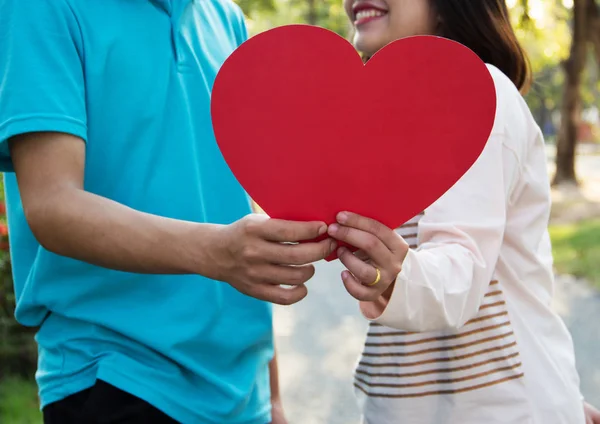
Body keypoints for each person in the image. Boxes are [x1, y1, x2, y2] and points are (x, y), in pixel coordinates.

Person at [0, 1, 337, 423]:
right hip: (116, 376)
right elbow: (53, 205)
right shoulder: (39, 8)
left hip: (243, 395)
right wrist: (216, 251)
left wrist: (271, 396)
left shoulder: (226, 18)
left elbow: (236, 208)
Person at [328, 0, 600, 423]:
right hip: (399, 404)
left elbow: (461, 267)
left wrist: (394, 272)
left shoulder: (479, 90)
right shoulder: (379, 124)